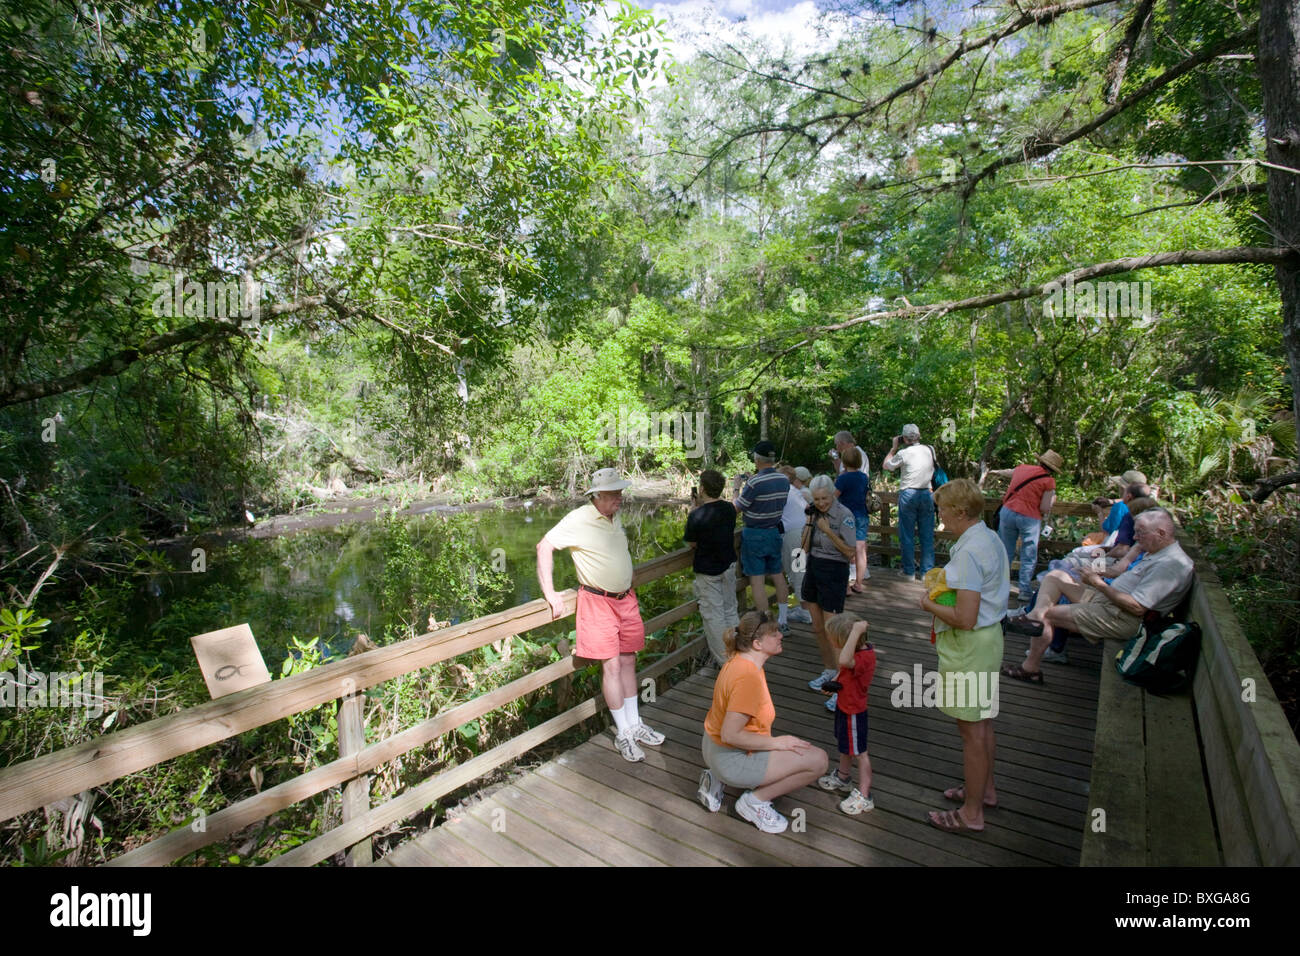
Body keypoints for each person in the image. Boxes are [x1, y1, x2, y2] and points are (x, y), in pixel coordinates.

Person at [536, 468, 665, 763]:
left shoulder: (614, 516)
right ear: (597, 496)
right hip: (598, 602)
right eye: (614, 493)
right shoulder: (579, 518)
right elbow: (544, 546)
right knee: (611, 666)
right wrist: (551, 593)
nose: (620, 498)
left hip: (626, 600)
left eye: (620, 492)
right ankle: (623, 733)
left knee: (629, 660)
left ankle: (636, 725)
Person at [1003, 507, 1194, 682]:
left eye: (1140, 533)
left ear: (1161, 533)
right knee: (1056, 576)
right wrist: (1097, 574)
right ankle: (1034, 617)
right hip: (1109, 601)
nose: (1135, 537)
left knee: (1050, 614)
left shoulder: (1171, 565)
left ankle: (1030, 669)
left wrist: (1098, 583)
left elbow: (1137, 608)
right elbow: (1123, 570)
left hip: (1122, 616)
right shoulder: (1157, 550)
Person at [918, 478, 1008, 834]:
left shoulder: (970, 551)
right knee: (983, 722)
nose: (940, 515)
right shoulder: (988, 537)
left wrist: (927, 603)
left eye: (942, 508)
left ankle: (972, 814)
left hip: (970, 646)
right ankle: (984, 790)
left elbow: (965, 618)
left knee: (970, 731)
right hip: (989, 640)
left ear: (958, 511)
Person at [697, 611, 829, 833]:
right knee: (819, 761)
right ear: (757, 644)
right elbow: (731, 734)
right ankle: (754, 803)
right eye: (774, 633)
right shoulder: (748, 677)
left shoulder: (738, 661)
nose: (780, 636)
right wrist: (778, 743)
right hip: (730, 758)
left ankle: (716, 778)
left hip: (712, 748)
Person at [801, 474, 859, 712]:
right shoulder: (814, 513)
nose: (822, 503)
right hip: (814, 567)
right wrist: (809, 521)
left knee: (832, 630)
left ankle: (841, 686)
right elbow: (803, 548)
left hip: (834, 570)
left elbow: (850, 552)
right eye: (817, 499)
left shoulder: (844, 515)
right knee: (817, 627)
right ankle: (828, 670)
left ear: (832, 494)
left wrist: (829, 531)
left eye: (825, 498)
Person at [816, 613, 877, 815]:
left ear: (845, 640)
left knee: (860, 753)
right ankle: (843, 777)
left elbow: (844, 660)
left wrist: (857, 630)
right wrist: (835, 682)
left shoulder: (863, 657)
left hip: (854, 712)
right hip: (844, 706)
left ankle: (865, 795)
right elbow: (844, 668)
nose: (830, 641)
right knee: (845, 745)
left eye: (833, 638)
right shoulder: (853, 655)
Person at [986, 450, 1062, 602]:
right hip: (1029, 517)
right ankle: (1024, 590)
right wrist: (1052, 498)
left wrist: (994, 471)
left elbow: (1008, 472)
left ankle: (999, 587)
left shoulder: (1023, 468)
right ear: (1053, 469)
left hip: (1008, 512)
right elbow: (1045, 508)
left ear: (1040, 461)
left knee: (1005, 551)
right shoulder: (1048, 481)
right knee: (1028, 554)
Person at [732, 440, 792, 629]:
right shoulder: (783, 479)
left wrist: (736, 487)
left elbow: (736, 508)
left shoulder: (754, 482)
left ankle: (767, 624)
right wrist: (752, 481)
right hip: (774, 532)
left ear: (757, 459)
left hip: (754, 535)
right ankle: (783, 621)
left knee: (756, 580)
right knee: (778, 575)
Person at [684, 469, 740, 666]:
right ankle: (738, 656)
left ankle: (727, 663)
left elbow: (692, 542)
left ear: (702, 488)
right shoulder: (729, 509)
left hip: (708, 570)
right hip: (728, 565)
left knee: (713, 616)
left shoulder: (696, 515)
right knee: (730, 610)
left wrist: (693, 511)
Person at [883, 423, 936, 579]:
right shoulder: (929, 449)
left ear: (904, 438)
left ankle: (909, 572)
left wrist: (893, 448)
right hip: (926, 493)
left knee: (907, 535)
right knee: (927, 535)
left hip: (908, 494)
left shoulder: (904, 453)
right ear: (919, 436)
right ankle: (927, 573)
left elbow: (886, 465)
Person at [831, 430, 871, 581]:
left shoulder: (855, 455)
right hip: (861, 511)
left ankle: (853, 572)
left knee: (848, 543)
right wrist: (836, 460)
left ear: (842, 443)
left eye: (837, 445)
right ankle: (861, 574)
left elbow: (842, 481)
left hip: (849, 511)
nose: (837, 448)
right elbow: (843, 471)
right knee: (860, 543)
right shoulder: (861, 475)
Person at [778, 466, 814, 625]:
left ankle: (806, 612)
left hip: (794, 537)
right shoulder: (795, 491)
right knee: (801, 571)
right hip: (804, 533)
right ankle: (805, 608)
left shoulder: (784, 491)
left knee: (797, 572)